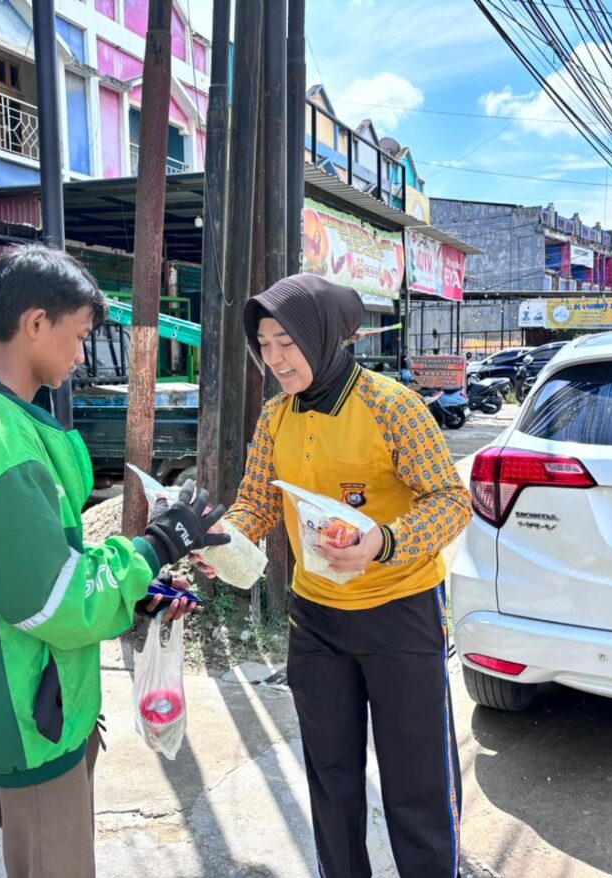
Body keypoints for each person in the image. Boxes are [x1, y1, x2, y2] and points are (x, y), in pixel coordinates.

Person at [0, 244, 227, 878]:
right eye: (80, 336)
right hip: (28, 714)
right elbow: (58, 601)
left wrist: (137, 591)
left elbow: (46, 567)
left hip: (40, 698)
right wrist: (159, 544)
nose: (83, 355)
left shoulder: (2, 422)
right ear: (36, 323)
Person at [210, 274, 473, 878]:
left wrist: (384, 541)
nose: (275, 359)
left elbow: (450, 501)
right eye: (264, 345)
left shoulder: (391, 407)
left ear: (323, 338)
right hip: (317, 621)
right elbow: (257, 502)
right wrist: (224, 537)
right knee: (331, 775)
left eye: (287, 342)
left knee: (417, 778)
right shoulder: (275, 416)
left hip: (401, 613)